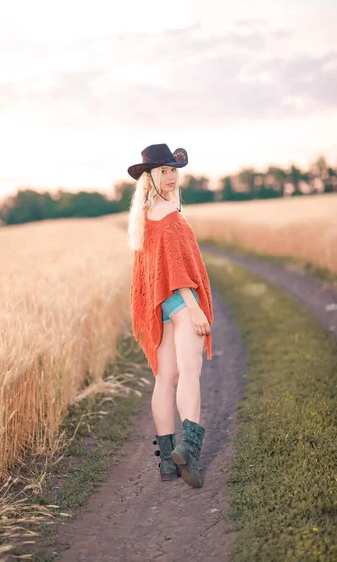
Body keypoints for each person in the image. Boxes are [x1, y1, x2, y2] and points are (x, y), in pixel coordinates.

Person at [126, 143, 214, 489]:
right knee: (190, 373)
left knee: (166, 379)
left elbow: (152, 271)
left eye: (174, 170)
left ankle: (166, 460)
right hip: (180, 301)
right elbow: (178, 272)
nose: (172, 177)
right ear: (150, 177)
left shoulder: (143, 218)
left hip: (157, 305)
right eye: (164, 171)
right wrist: (193, 308)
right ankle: (189, 450)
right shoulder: (172, 219)